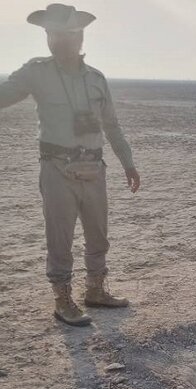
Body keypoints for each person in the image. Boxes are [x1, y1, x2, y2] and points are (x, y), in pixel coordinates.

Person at [0, 4, 141, 327]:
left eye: (64, 34)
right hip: (57, 168)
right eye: (51, 34)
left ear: (79, 36)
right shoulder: (36, 72)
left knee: (97, 234)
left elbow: (113, 126)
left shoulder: (96, 79)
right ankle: (63, 299)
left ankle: (95, 290)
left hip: (94, 168)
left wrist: (128, 163)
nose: (57, 40)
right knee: (60, 236)